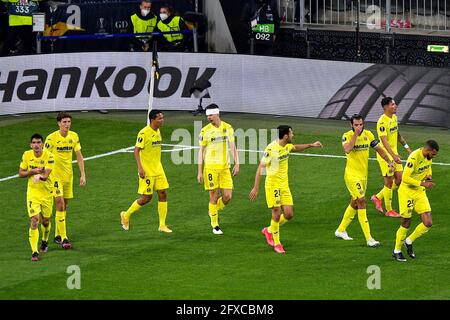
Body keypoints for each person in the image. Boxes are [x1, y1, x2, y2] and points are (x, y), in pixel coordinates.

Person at [249, 125, 322, 254]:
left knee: (289, 214)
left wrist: (311, 145)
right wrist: (255, 188)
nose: (293, 135)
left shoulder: (287, 146)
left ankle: (269, 230)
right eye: (291, 133)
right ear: (286, 136)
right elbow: (261, 168)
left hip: (284, 186)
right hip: (273, 185)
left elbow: (295, 147)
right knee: (276, 213)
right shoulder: (271, 149)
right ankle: (277, 243)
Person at [335, 114, 395, 247]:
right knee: (362, 201)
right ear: (351, 125)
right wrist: (355, 135)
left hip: (363, 176)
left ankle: (340, 230)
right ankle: (369, 239)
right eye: (356, 125)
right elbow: (347, 149)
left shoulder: (369, 135)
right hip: (351, 175)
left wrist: (389, 160)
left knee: (355, 202)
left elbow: (380, 149)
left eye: (360, 124)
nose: (359, 127)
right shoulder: (347, 136)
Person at [120, 110, 172, 233]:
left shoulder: (158, 131)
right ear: (152, 120)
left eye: (162, 118)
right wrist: (140, 168)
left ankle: (162, 225)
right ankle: (126, 215)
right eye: (159, 118)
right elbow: (136, 150)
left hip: (158, 168)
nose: (162, 120)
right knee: (147, 197)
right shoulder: (143, 133)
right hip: (147, 170)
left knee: (163, 193)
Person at [44, 112, 86, 249]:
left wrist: (83, 174)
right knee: (60, 203)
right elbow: (44, 156)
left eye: (69, 122)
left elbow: (79, 156)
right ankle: (64, 238)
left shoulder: (74, 136)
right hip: (54, 176)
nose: (67, 124)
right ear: (58, 123)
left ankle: (57, 234)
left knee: (64, 206)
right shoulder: (51, 138)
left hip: (68, 176)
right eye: (64, 122)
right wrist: (44, 174)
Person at [392, 140, 439, 262]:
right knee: (406, 222)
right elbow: (405, 178)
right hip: (406, 192)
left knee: (428, 222)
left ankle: (409, 241)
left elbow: (428, 167)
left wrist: (428, 176)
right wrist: (423, 183)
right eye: (433, 154)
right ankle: (397, 250)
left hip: (419, 191)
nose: (433, 157)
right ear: (428, 150)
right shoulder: (414, 157)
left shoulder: (428, 157)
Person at [197, 104, 239, 235]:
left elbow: (233, 146)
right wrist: (199, 171)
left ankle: (213, 210)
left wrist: (237, 163)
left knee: (227, 197)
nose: (209, 117)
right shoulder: (205, 131)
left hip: (225, 168)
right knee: (214, 196)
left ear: (217, 114)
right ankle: (215, 225)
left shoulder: (228, 128)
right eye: (207, 115)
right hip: (210, 168)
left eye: (211, 115)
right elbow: (201, 151)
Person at [371, 97, 412, 218]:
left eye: (395, 103)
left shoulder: (394, 118)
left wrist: (407, 147)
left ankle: (377, 197)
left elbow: (397, 134)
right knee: (389, 181)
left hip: (394, 153)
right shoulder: (382, 122)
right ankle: (389, 210)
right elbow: (384, 142)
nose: (396, 106)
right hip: (385, 155)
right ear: (386, 107)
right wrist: (393, 156)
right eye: (393, 104)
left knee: (399, 179)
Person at [19, 133, 55, 261]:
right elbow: (21, 173)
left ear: (43, 144)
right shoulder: (27, 155)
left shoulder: (49, 156)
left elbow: (46, 176)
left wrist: (39, 176)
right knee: (34, 220)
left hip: (46, 193)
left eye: (39, 142)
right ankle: (34, 252)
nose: (36, 145)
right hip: (33, 193)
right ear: (30, 144)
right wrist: (32, 172)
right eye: (34, 143)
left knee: (45, 221)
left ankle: (44, 240)